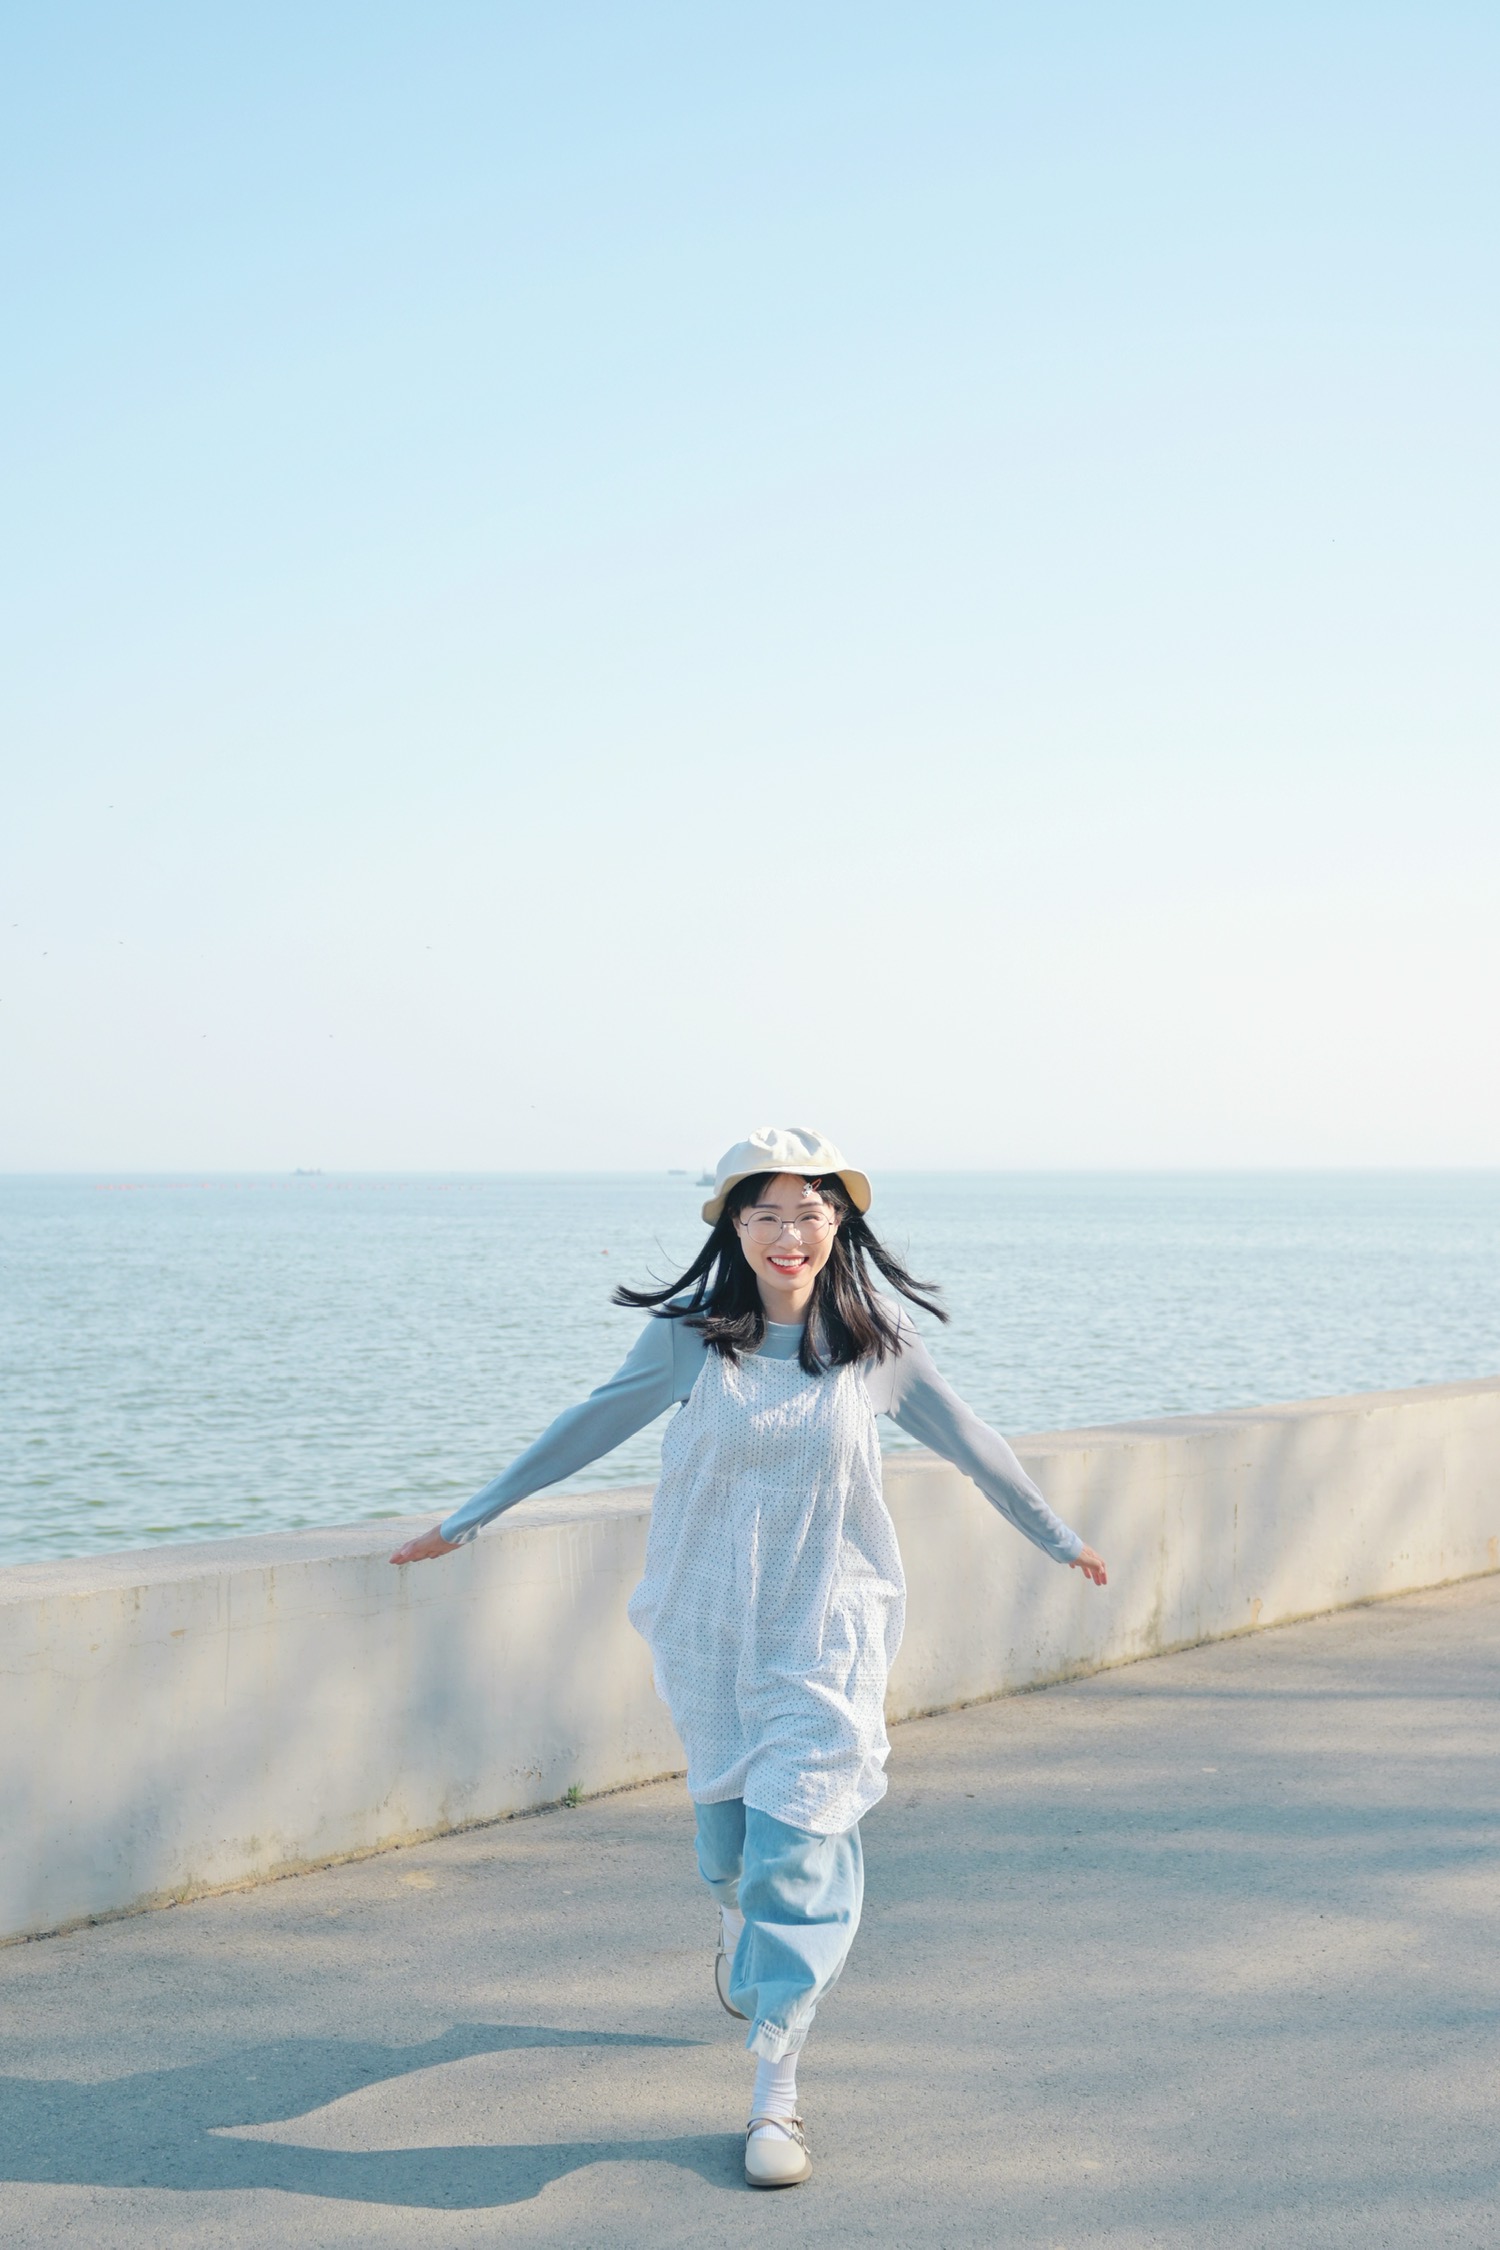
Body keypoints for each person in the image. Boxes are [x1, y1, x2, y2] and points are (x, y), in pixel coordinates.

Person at [391, 1126, 1107, 2190]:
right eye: (765, 1213)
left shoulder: (875, 1349)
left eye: (809, 1214)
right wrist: (468, 1518)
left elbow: (974, 1442)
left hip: (827, 1633)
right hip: (714, 1632)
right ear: (733, 1226)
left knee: (798, 1856)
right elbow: (587, 1427)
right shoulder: (691, 1342)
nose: (789, 1234)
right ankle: (736, 1922)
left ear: (839, 1226)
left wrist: (1059, 1537)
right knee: (732, 1855)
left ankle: (777, 2092)